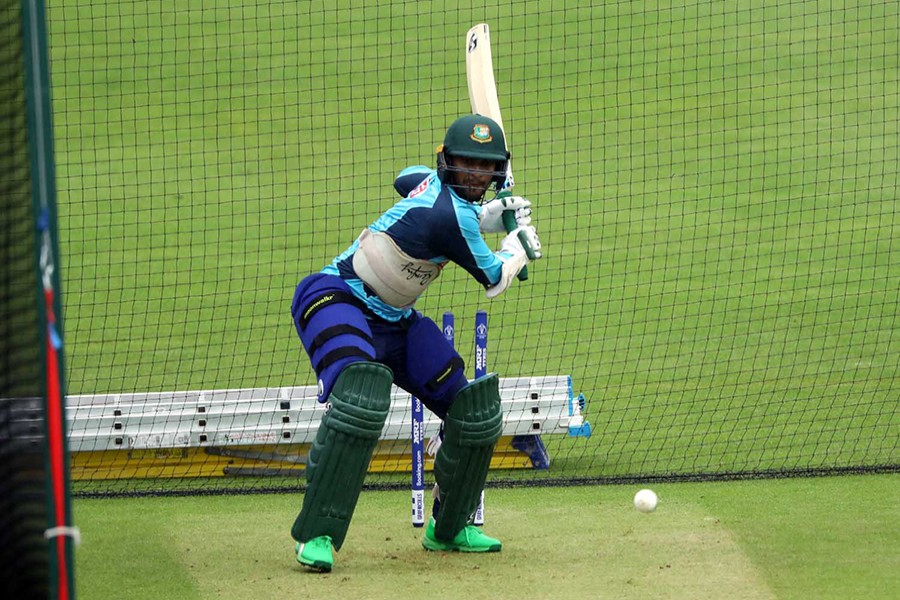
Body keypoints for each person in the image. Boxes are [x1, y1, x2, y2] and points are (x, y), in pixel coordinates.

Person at [289, 114, 542, 572]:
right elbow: (493, 279)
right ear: (445, 162)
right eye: (465, 165)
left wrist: (486, 217)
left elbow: (406, 179)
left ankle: (449, 528)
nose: (474, 175)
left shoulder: (432, 188)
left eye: (484, 168)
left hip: (395, 322)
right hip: (335, 297)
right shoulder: (451, 216)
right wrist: (518, 243)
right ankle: (317, 535)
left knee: (475, 412)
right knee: (360, 397)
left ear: (497, 171)